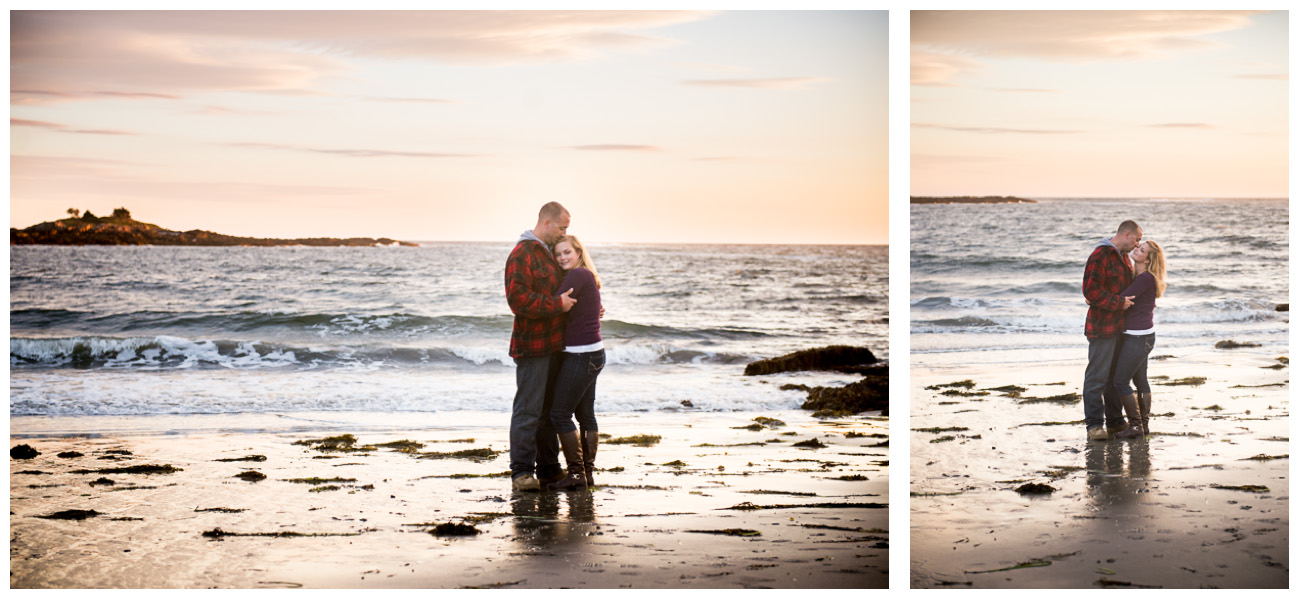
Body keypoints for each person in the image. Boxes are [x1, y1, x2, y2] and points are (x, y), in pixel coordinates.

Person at [504, 202, 577, 492]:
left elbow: (565, 290)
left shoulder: (548, 254)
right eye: (562, 227)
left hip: (555, 345)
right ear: (546, 223)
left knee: (548, 411)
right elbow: (518, 300)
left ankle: (549, 469)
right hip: (533, 347)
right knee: (528, 411)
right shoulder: (522, 253)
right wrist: (557, 305)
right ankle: (521, 473)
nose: (564, 233)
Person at [546, 235, 605, 490]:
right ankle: (586, 474)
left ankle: (577, 475)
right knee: (585, 415)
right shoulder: (587, 275)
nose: (562, 258)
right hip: (594, 353)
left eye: (566, 252)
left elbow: (553, 302)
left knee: (559, 414)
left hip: (581, 354)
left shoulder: (578, 275)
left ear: (578, 251)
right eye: (558, 255)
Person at [1082, 220, 1141, 441]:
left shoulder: (1124, 257)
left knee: (1114, 377)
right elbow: (1090, 289)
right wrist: (1117, 303)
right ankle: (1094, 425)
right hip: (1102, 327)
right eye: (1137, 239)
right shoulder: (1101, 255)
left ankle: (1115, 421)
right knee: (1097, 376)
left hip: (1120, 328)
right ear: (1126, 234)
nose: (1138, 244)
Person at [1111, 240, 1165, 439]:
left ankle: (1135, 426)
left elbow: (1122, 299)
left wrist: (1095, 299)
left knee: (1120, 381)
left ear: (1149, 260)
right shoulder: (1143, 277)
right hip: (1144, 336)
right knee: (1140, 381)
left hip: (1138, 338)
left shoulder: (1144, 279)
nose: (1136, 249)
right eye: (1138, 246)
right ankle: (1143, 425)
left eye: (1141, 250)